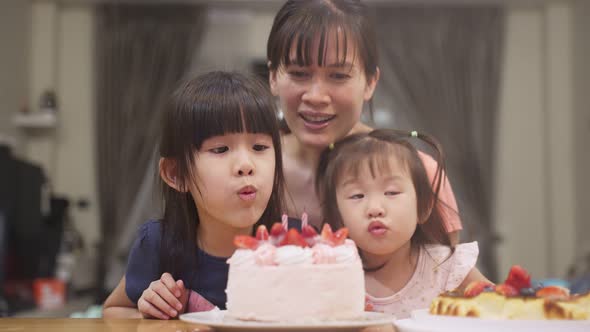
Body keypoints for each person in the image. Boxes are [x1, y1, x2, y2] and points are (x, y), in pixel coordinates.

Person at [267, 0, 462, 243]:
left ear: (370, 82)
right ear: (273, 76)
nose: (316, 96)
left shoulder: (416, 171)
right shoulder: (250, 170)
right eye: (299, 73)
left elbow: (447, 275)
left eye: (338, 76)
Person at [102, 71, 285, 319]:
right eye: (220, 149)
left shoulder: (295, 245)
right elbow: (113, 311)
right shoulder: (158, 244)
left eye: (260, 147)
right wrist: (148, 312)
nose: (246, 164)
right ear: (176, 174)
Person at [315, 129, 489, 319]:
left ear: (423, 208)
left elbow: (503, 311)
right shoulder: (334, 275)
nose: (375, 208)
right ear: (338, 217)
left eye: (391, 192)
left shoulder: (448, 267)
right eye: (357, 195)